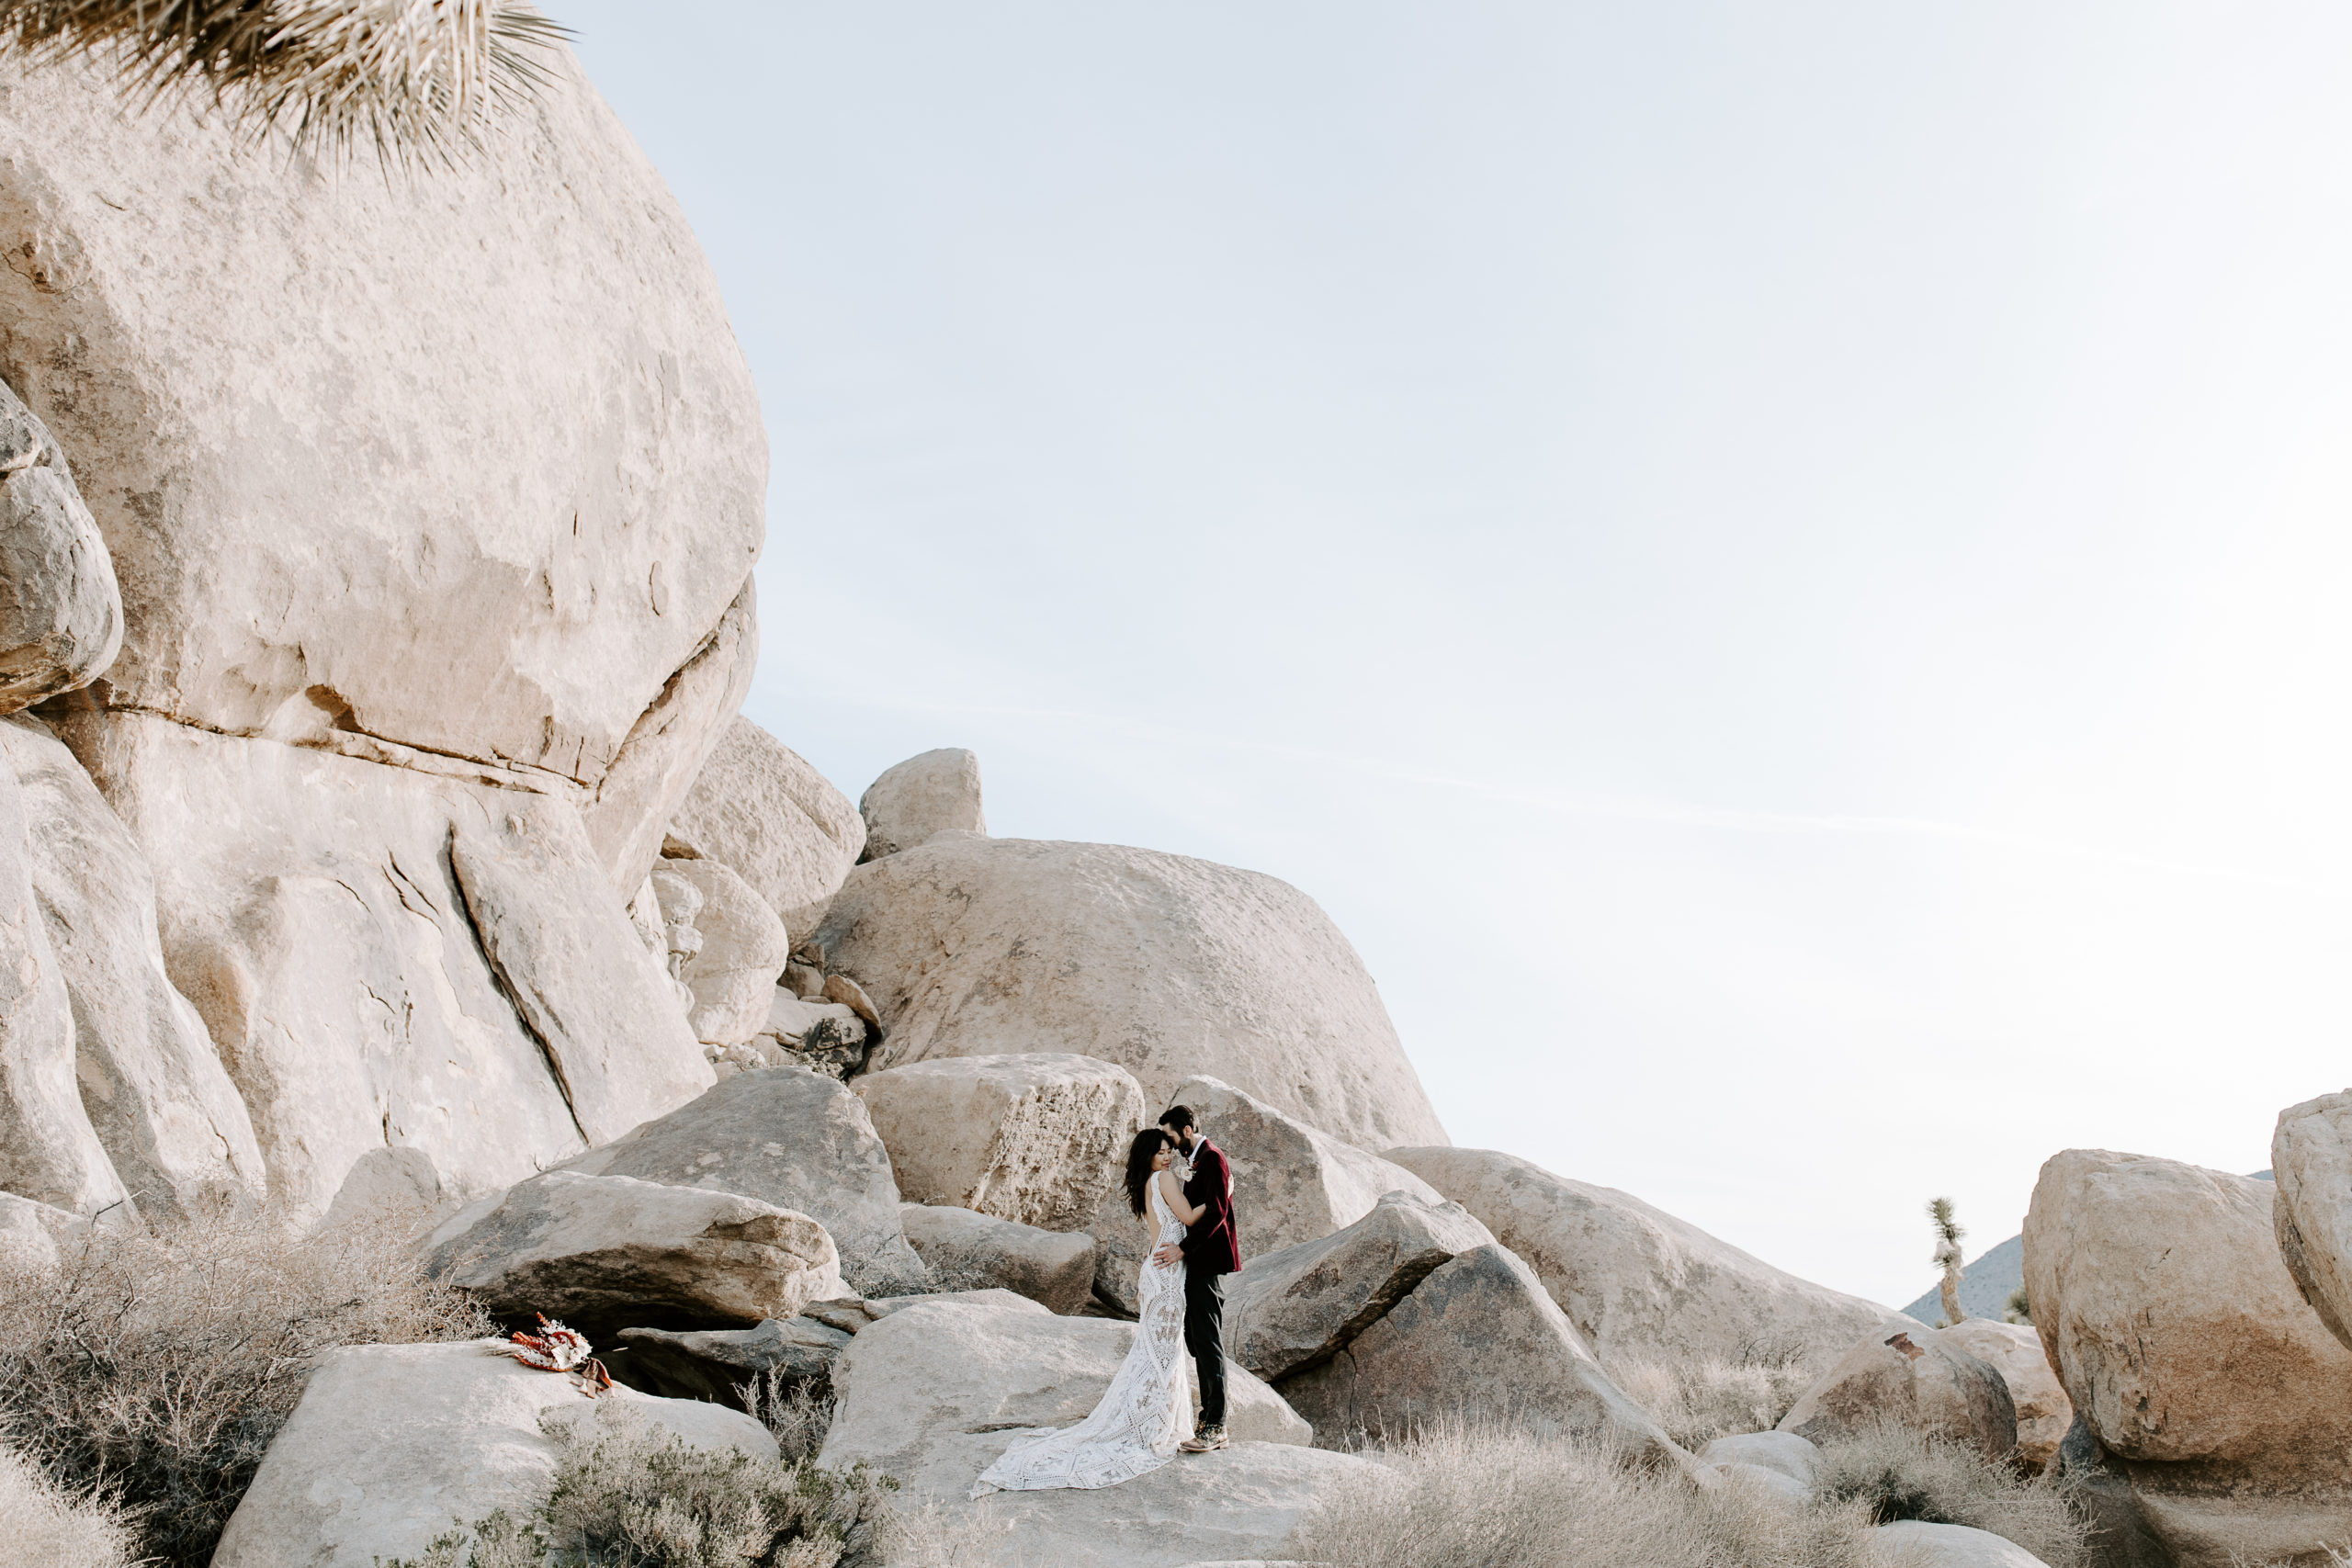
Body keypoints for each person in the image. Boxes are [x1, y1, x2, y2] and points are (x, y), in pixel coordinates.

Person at [968, 1126, 1206, 1495]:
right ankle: (1152, 1425)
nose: (1167, 1156)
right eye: (1160, 1152)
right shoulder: (1164, 1179)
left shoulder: (1148, 1183)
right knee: (1162, 1351)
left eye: (1168, 1150)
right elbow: (1191, 1219)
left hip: (1158, 1272)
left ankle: (1152, 1420)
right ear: (1148, 1156)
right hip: (1167, 1275)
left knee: (1158, 1350)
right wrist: (1223, 1195)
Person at [1152, 1102, 1238, 1453]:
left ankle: (1216, 1425)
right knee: (1195, 1339)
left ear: (1186, 1131)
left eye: (1171, 1137)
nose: (1170, 1146)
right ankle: (1207, 1420)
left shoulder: (1213, 1158)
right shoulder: (1197, 1160)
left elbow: (1217, 1211)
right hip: (1196, 1262)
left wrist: (1183, 1248)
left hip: (1206, 1261)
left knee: (1207, 1341)